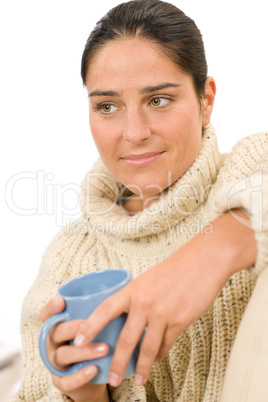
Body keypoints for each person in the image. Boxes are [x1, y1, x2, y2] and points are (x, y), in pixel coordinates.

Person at [13, 0, 268, 401]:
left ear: (206, 100)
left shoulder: (252, 167)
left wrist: (221, 243)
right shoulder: (69, 261)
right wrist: (83, 394)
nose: (133, 132)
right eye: (108, 106)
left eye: (158, 100)